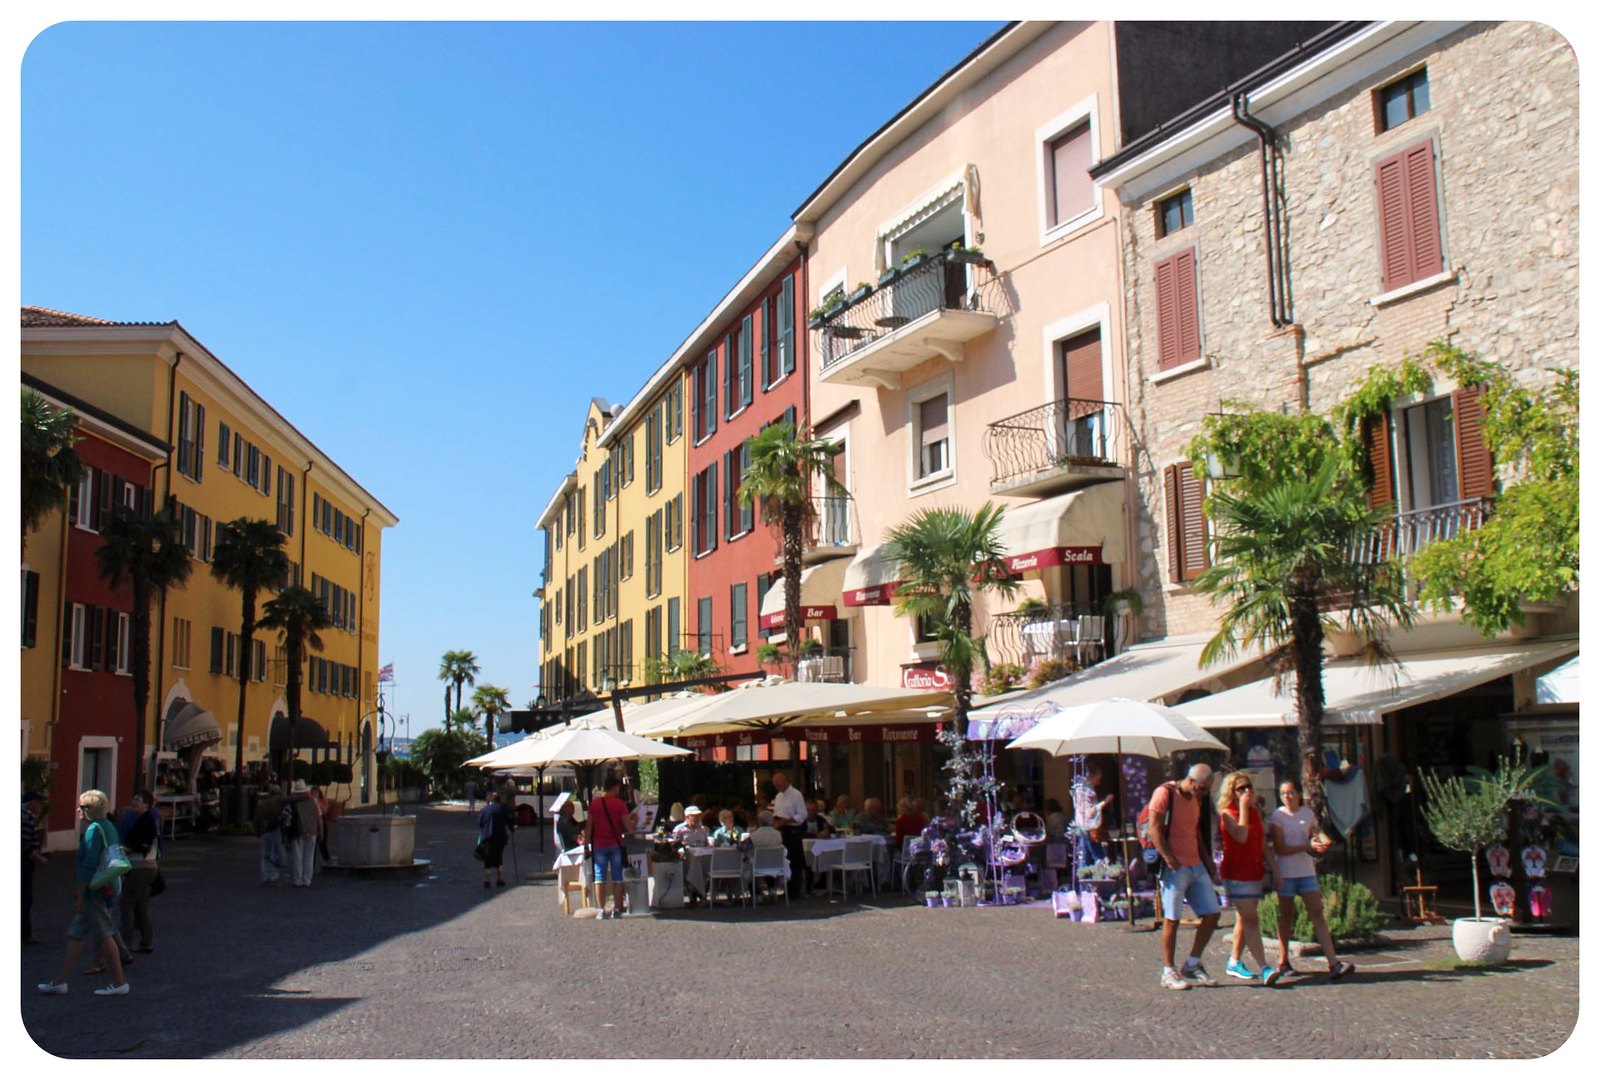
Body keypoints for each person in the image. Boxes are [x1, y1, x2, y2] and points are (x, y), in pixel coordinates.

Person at [37, 790, 130, 996]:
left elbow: (89, 864)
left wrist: (80, 892)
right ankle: (60, 981)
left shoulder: (93, 830)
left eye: (82, 807)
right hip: (105, 886)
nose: (78, 810)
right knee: (76, 932)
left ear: (90, 810)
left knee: (105, 933)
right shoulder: (108, 826)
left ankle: (119, 981)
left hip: (94, 890)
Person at [1270, 779, 1356, 981]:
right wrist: (1306, 848)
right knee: (1286, 915)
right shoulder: (1278, 816)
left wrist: (1318, 842)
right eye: (1283, 793)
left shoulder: (1307, 814)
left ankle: (1333, 962)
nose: (1287, 797)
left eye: (1290, 792)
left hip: (1306, 870)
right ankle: (1283, 961)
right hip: (1286, 872)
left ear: (1298, 794)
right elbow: (1280, 848)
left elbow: (1313, 835)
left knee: (1317, 913)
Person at [1149, 763, 1222, 991]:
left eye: (1206, 790)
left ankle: (1192, 963)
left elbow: (1194, 830)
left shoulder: (1195, 799)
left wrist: (1207, 859)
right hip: (1175, 867)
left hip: (1195, 864)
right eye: (1201, 789)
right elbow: (1154, 828)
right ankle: (1168, 971)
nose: (1203, 793)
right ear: (1191, 781)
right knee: (1172, 918)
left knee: (1212, 914)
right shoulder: (1164, 793)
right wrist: (1169, 858)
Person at [1217, 772, 1278, 986]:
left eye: (1248, 787)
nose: (1246, 792)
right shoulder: (1227, 814)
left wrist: (1275, 871)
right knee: (1251, 919)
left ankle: (1234, 961)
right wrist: (1243, 808)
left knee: (1244, 918)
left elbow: (1262, 844)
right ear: (1231, 793)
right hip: (1236, 874)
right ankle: (1264, 967)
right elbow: (1241, 836)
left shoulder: (1255, 813)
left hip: (1253, 872)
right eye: (1240, 789)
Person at [585, 776, 635, 919]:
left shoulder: (594, 804)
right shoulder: (619, 804)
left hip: (599, 844)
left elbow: (589, 826)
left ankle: (600, 909)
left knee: (599, 877)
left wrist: (585, 845)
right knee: (617, 877)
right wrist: (635, 819)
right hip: (615, 844)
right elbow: (629, 826)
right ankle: (617, 909)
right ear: (615, 787)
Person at [117, 792, 160, 955]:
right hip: (148, 866)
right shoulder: (144, 819)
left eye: (138, 800)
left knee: (127, 903)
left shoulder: (146, 821)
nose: (134, 802)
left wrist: (127, 849)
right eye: (133, 798)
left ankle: (125, 944)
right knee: (141, 904)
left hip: (139, 865)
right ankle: (146, 941)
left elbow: (144, 845)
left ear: (147, 804)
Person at [770, 772, 808, 898]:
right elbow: (777, 812)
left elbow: (802, 815)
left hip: (793, 831)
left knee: (795, 862)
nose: (777, 787)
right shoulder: (778, 796)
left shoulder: (796, 795)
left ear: (785, 781)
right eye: (775, 785)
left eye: (778, 784)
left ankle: (795, 890)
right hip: (782, 832)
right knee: (784, 861)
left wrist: (787, 820)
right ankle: (786, 888)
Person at [23, 790, 49, 945]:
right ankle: (25, 935)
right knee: (24, 900)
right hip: (24, 865)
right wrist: (39, 858)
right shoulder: (25, 819)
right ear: (31, 803)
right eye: (39, 803)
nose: (41, 806)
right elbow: (24, 847)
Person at [476, 789, 514, 888]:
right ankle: (500, 878)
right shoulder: (502, 809)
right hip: (500, 837)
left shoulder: (485, 809)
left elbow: (479, 823)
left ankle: (487, 880)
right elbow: (509, 821)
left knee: (487, 858)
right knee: (499, 857)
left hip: (487, 837)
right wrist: (512, 829)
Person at [286, 780, 321, 888]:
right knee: (309, 857)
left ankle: (298, 879)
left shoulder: (292, 802)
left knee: (298, 856)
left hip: (298, 831)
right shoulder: (313, 801)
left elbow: (288, 818)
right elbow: (318, 816)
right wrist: (320, 830)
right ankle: (307, 879)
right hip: (312, 830)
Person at [256, 784, 288, 885]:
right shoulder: (280, 802)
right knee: (274, 853)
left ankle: (265, 875)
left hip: (265, 831)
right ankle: (273, 876)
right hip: (276, 830)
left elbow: (257, 819)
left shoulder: (263, 804)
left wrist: (258, 831)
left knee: (265, 854)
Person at [310, 785, 332, 867]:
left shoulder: (322, 801)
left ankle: (327, 859)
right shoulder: (311, 801)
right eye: (312, 793)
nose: (313, 794)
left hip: (322, 823)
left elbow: (324, 811)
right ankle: (312, 864)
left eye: (315, 793)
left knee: (322, 844)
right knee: (313, 846)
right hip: (313, 824)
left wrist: (317, 803)